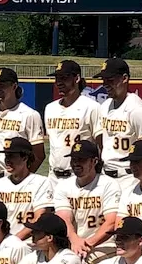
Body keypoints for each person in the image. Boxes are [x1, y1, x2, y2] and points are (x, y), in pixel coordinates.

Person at [53, 140, 121, 264]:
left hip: (105, 245)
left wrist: (87, 244)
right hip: (74, 244)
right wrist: (75, 240)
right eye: (74, 159)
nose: (76, 164)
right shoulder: (63, 185)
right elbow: (64, 219)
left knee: (82, 263)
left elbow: (111, 222)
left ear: (94, 161)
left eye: (81, 160)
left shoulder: (109, 185)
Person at [94, 59, 142, 184]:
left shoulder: (137, 109)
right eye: (104, 80)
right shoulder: (105, 106)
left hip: (129, 177)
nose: (105, 84)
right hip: (105, 176)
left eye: (110, 80)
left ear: (124, 78)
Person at [43, 59, 103, 188]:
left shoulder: (92, 107)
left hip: (80, 177)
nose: (59, 82)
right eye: (57, 78)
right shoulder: (50, 108)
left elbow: (101, 145)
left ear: (76, 79)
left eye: (64, 78)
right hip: (53, 178)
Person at [0, 67, 46, 178]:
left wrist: (23, 177)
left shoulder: (29, 114)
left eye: (2, 85)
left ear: (14, 86)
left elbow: (38, 154)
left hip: (12, 177)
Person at [0, 137, 53, 241]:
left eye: (12, 156)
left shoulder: (41, 182)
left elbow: (39, 217)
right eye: (6, 156)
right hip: (1, 242)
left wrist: (14, 240)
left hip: (29, 243)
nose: (7, 160)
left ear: (25, 158)